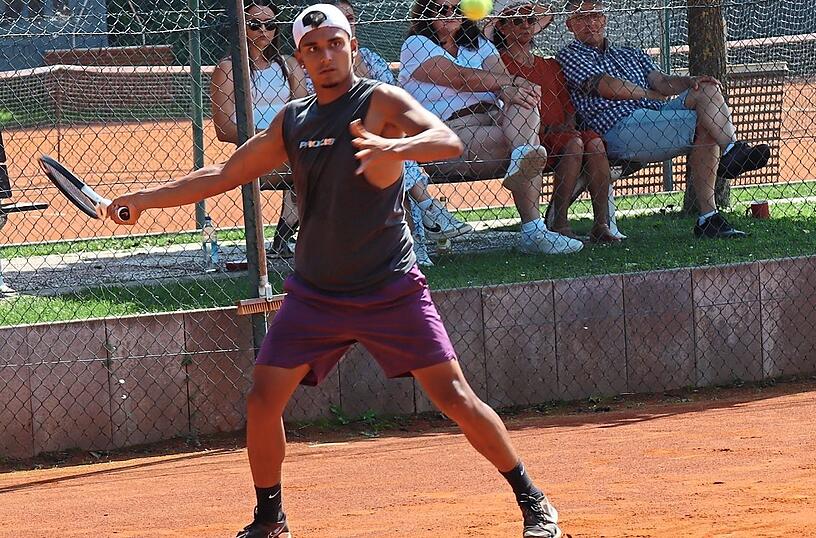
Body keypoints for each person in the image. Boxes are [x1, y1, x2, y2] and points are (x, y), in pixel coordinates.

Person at [106, 5, 563, 538]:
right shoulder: (293, 120)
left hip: (390, 286)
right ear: (300, 56)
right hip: (316, 294)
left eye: (334, 44)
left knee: (454, 396)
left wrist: (396, 145)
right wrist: (142, 199)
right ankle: (269, 517)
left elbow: (447, 141)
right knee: (262, 399)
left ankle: (532, 500)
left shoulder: (380, 100)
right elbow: (224, 174)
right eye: (313, 48)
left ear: (350, 44)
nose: (325, 56)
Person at [558, 0, 770, 239]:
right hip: (619, 127)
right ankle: (709, 214)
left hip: (655, 118)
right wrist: (649, 94)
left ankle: (732, 149)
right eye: (581, 18)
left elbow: (661, 82)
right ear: (569, 25)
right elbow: (607, 86)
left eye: (595, 16)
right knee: (705, 125)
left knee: (707, 90)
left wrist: (690, 81)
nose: (590, 23)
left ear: (605, 19)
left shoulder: (629, 53)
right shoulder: (569, 55)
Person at [400, 0, 583, 254]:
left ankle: (524, 160)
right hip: (448, 131)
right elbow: (461, 77)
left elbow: (500, 76)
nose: (451, 14)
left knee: (524, 97)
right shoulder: (417, 44)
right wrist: (509, 83)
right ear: (426, 13)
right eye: (442, 9)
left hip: (497, 121)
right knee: (528, 142)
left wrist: (512, 86)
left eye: (457, 8)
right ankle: (534, 229)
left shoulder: (479, 43)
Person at [328, 0, 473, 266]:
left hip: (376, 134)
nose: (347, 22)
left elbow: (388, 96)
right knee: (394, 148)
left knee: (394, 148)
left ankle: (415, 239)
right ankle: (427, 217)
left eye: (350, 16)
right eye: (339, 18)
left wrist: (355, 62)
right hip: (337, 137)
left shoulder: (369, 57)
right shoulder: (316, 61)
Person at [487, 0, 619, 243]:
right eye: (517, 20)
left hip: (563, 133)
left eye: (530, 20)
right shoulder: (497, 64)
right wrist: (550, 129)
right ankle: (559, 221)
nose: (526, 25)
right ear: (502, 28)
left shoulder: (550, 65)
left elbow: (567, 105)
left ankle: (603, 223)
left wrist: (567, 126)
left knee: (594, 143)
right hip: (528, 135)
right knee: (575, 143)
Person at [211, 0, 309, 259]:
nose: (263, 31)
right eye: (254, 24)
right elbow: (224, 128)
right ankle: (287, 239)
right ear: (242, 27)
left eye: (270, 25)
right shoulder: (228, 68)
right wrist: (268, 137)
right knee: (311, 163)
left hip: (291, 149)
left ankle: (287, 240)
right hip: (255, 154)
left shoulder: (288, 65)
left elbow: (304, 111)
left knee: (321, 159)